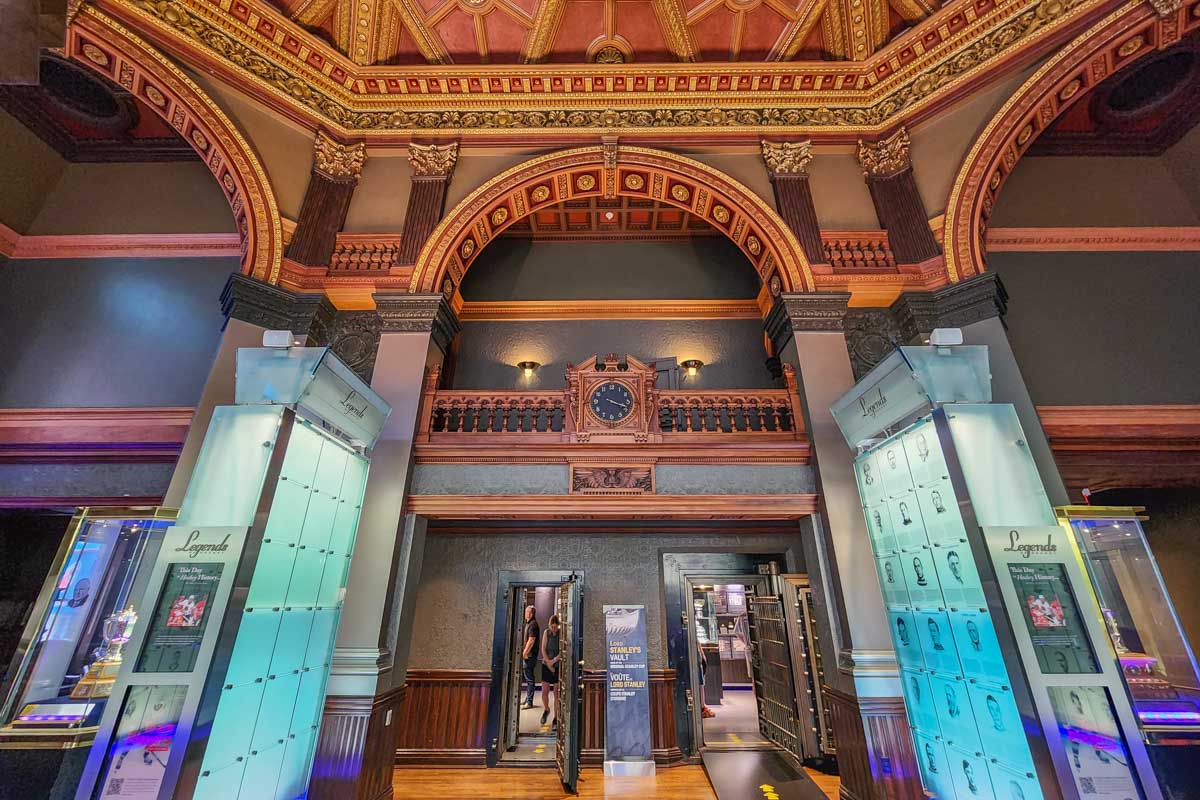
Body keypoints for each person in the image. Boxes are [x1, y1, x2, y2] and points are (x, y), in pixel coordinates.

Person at [540, 614, 562, 726]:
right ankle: (546, 709)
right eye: (551, 627)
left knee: (556, 693)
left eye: (555, 627)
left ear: (558, 626)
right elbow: (543, 648)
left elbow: (562, 650)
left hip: (557, 665)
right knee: (544, 691)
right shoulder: (546, 633)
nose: (553, 629)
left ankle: (555, 717)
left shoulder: (561, 634)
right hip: (546, 664)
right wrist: (548, 663)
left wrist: (553, 661)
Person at [521, 605, 540, 709]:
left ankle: (529, 702)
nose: (525, 613)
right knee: (528, 678)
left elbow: (531, 640)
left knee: (529, 679)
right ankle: (527, 699)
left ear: (531, 614)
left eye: (527, 612)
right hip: (529, 655)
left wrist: (525, 652)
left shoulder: (533, 625)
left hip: (530, 656)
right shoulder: (530, 624)